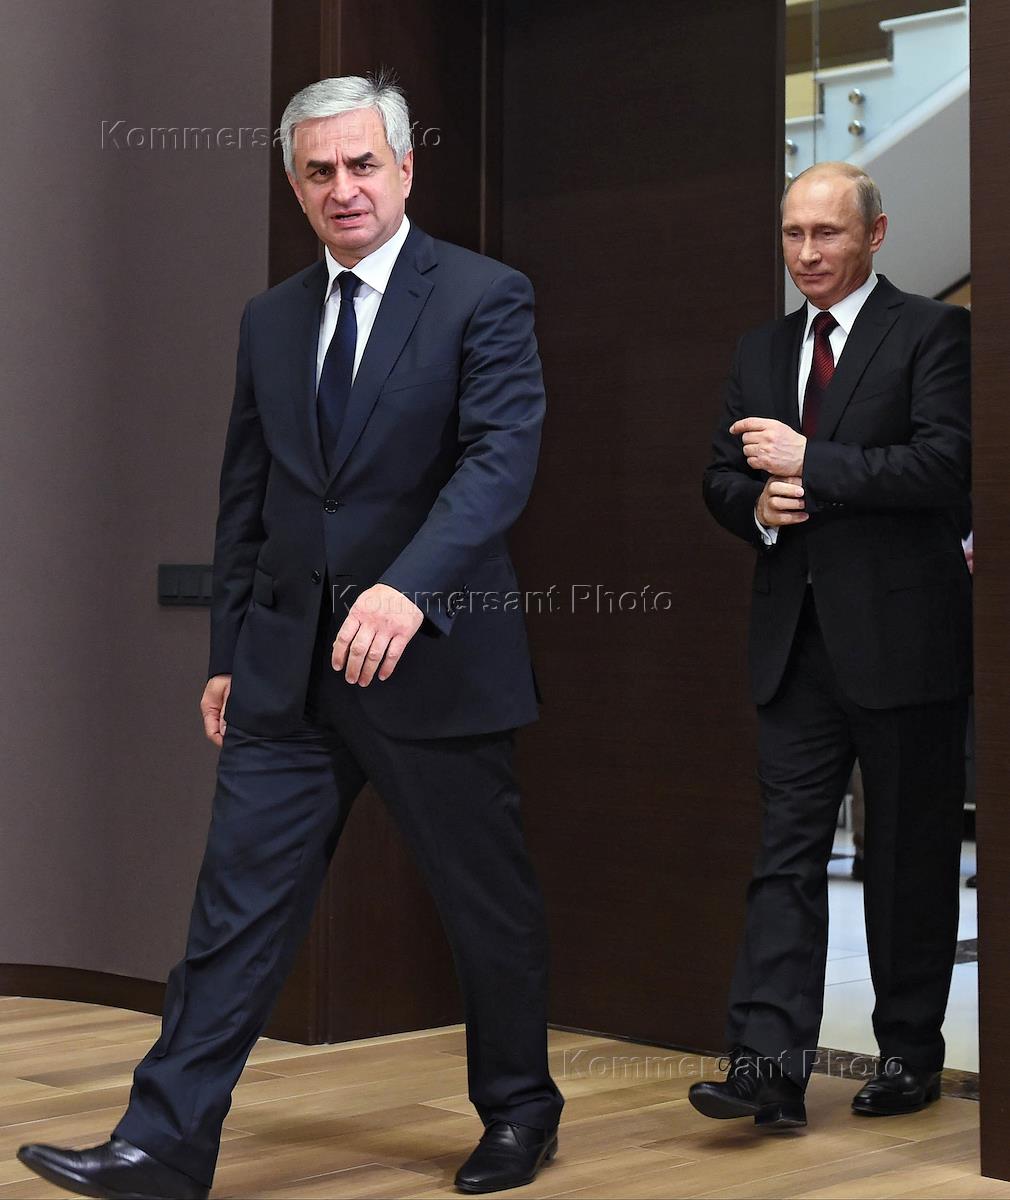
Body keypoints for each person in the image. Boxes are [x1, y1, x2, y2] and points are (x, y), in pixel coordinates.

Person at [18, 73, 563, 1198]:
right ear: (294, 185)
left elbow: (498, 461)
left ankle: (520, 1113)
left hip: (432, 664)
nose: (342, 187)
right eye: (319, 171)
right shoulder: (269, 319)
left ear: (405, 167)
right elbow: (248, 497)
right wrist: (227, 653)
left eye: (362, 164)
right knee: (234, 911)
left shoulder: (482, 294)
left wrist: (406, 590)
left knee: (485, 909)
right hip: (285, 675)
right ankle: (162, 1146)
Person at [691, 162, 971, 1129]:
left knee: (905, 860)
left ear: (875, 235)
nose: (806, 254)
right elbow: (721, 477)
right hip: (794, 647)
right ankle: (767, 1072)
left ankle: (910, 1057)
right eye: (793, 235)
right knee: (786, 857)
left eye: (828, 234)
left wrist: (814, 462)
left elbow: (947, 465)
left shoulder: (934, 332)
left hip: (907, 642)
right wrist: (757, 508)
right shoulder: (761, 348)